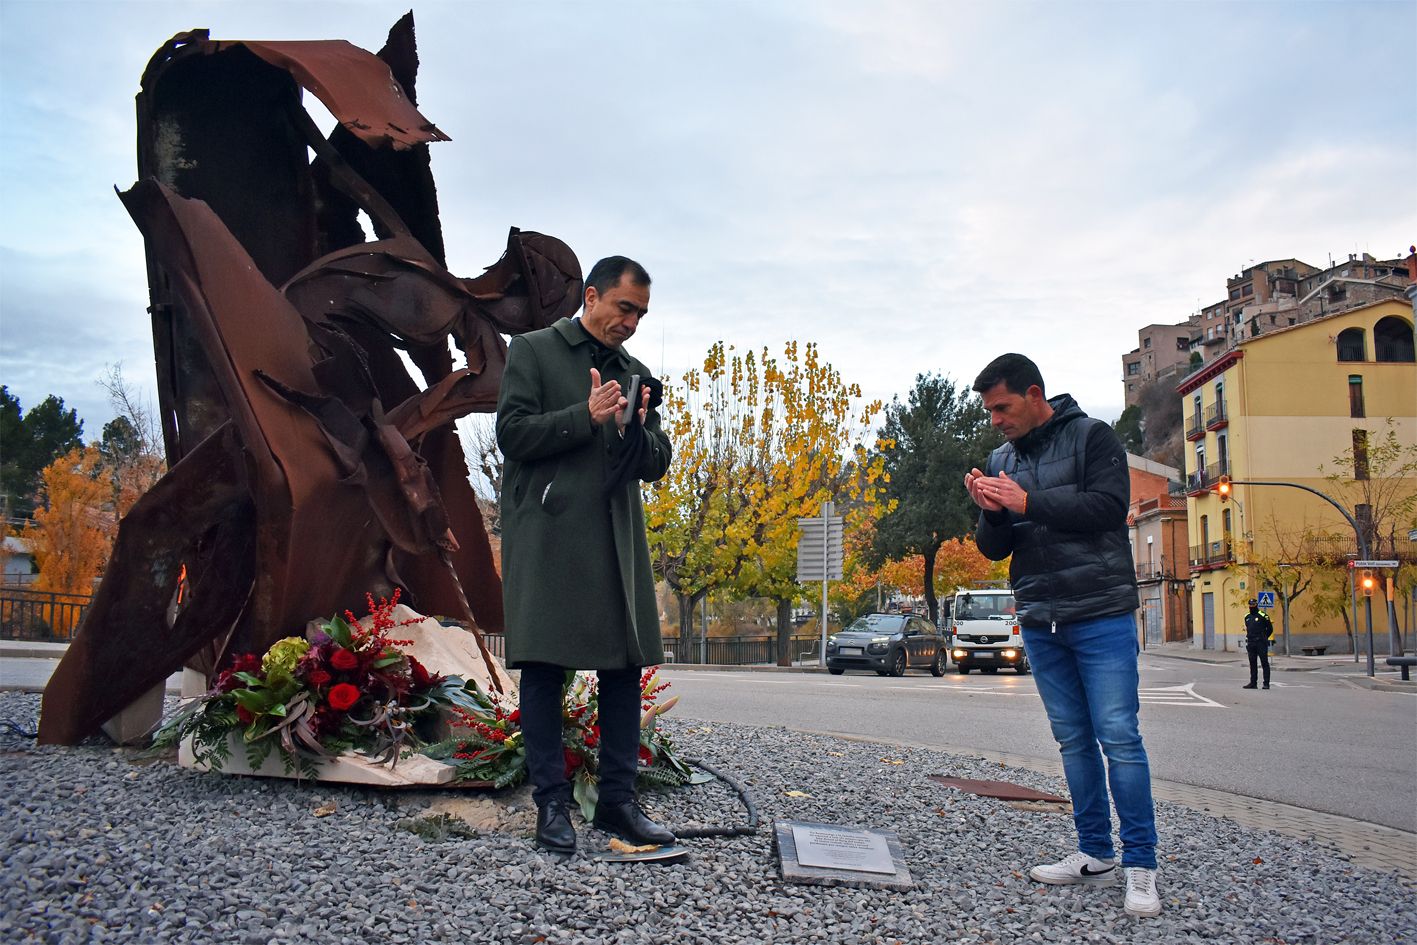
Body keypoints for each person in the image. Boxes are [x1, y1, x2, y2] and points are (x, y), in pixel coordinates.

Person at [964, 353, 1162, 918]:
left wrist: (1026, 502)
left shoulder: (1093, 437)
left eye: (1002, 407)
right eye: (989, 411)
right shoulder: (1001, 458)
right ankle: (1095, 853)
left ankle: (1141, 865)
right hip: (1041, 617)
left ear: (1033, 394)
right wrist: (993, 512)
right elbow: (995, 548)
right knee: (1073, 741)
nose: (996, 420)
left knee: (1119, 738)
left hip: (1099, 612)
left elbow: (1107, 509)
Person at [496, 255, 674, 855]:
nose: (632, 322)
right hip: (550, 533)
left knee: (623, 668)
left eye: (641, 314)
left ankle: (618, 805)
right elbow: (513, 435)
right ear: (592, 297)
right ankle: (552, 805)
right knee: (546, 666)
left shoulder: (637, 372)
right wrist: (584, 416)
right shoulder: (534, 350)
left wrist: (636, 433)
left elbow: (658, 460)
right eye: (625, 308)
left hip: (615, 536)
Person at [1243, 599, 1273, 690]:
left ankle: (1266, 683)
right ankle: (1253, 683)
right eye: (1250, 605)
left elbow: (1270, 629)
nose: (1252, 606)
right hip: (1251, 642)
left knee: (1264, 663)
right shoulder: (1247, 616)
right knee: (1252, 663)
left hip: (1261, 642)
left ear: (1256, 605)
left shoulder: (1263, 616)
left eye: (1253, 604)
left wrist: (1264, 638)